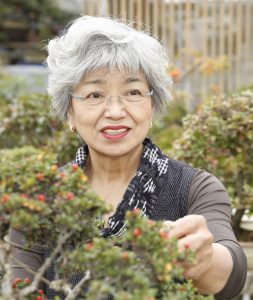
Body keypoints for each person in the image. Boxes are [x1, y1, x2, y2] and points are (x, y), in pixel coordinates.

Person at [9, 15, 247, 299]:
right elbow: (19, 290)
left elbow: (232, 273)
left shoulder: (196, 189)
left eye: (132, 92)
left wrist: (204, 261)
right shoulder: (41, 198)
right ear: (70, 112)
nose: (115, 111)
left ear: (152, 106)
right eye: (95, 94)